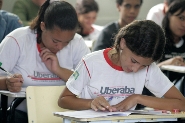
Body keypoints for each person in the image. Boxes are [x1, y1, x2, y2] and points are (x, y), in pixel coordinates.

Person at [58, 20, 185, 112]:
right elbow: (64, 99)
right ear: (122, 43)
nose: (135, 69)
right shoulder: (91, 62)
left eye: (143, 66)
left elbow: (182, 104)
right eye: (134, 61)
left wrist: (137, 98)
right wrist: (90, 103)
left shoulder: (148, 68)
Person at [0, 0, 90, 122]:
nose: (60, 47)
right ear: (43, 26)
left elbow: (90, 82)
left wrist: (58, 70)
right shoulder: (17, 40)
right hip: (21, 114)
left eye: (67, 42)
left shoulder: (78, 43)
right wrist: (7, 83)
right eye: (55, 41)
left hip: (66, 114)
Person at [157, 0, 185, 82]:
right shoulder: (156, 42)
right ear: (169, 16)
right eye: (181, 18)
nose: (184, 24)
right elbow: (143, 74)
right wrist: (165, 64)